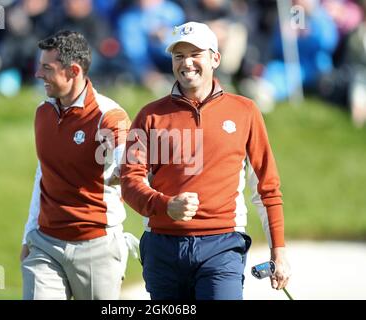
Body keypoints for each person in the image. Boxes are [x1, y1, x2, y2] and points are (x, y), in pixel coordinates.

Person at [120, 21, 291, 300]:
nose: (187, 63)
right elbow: (129, 181)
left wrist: (279, 253)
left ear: (215, 58)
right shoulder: (149, 115)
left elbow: (266, 188)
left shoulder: (245, 111)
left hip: (222, 246)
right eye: (179, 56)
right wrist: (165, 206)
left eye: (195, 54)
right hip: (162, 248)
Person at [20, 30, 134, 300]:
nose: (38, 74)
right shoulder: (43, 112)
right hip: (45, 244)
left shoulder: (108, 115)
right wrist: (28, 235)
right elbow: (43, 175)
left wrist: (124, 167)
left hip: (98, 246)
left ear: (73, 71)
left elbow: (125, 152)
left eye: (47, 68)